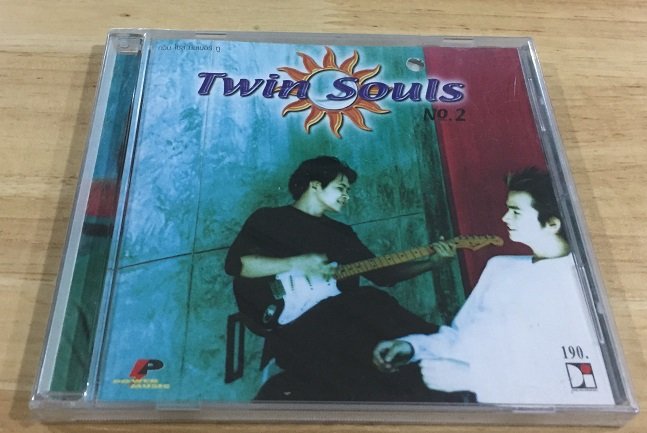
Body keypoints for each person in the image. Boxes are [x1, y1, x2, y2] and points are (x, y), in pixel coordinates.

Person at [224, 156, 465, 402]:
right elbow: (237, 265)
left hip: (336, 319)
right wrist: (296, 263)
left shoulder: (342, 233)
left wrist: (432, 262)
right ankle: (445, 350)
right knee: (370, 306)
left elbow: (383, 275)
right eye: (341, 188)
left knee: (374, 311)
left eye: (348, 191)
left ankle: (445, 361)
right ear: (315, 184)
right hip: (291, 325)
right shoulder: (270, 219)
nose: (346, 196)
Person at [372, 167, 615, 405]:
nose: (504, 218)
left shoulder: (580, 286)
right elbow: (460, 337)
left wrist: (473, 380)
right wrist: (413, 347)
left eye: (516, 212)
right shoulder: (499, 266)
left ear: (552, 224)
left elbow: (583, 388)